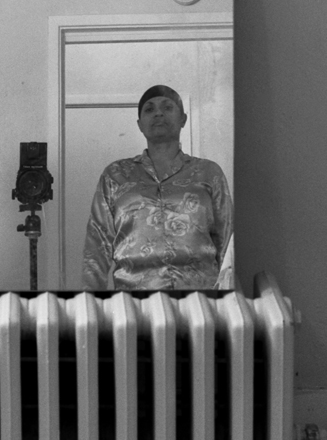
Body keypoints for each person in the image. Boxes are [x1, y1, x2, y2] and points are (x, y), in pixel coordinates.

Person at [82, 85, 234, 291]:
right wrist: (92, 305)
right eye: (149, 109)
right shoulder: (116, 174)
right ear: (140, 124)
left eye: (167, 107)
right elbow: (96, 245)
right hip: (134, 301)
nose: (159, 113)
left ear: (183, 119)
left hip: (201, 300)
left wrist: (227, 300)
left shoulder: (208, 172)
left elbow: (228, 241)